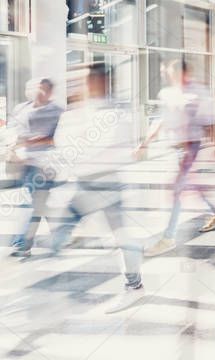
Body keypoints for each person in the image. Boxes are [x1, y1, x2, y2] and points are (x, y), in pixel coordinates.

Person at [49, 63, 144, 314]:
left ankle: (134, 285)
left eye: (91, 80)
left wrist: (76, 149)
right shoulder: (82, 110)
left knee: (117, 237)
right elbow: (62, 140)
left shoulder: (116, 112)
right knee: (68, 223)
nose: (87, 85)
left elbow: (105, 148)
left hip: (105, 181)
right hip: (83, 181)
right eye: (87, 80)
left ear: (104, 81)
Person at [140, 59, 215, 257]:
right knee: (191, 187)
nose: (166, 75)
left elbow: (211, 121)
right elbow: (160, 121)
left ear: (181, 72)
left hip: (191, 147)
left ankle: (168, 238)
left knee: (176, 190)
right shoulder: (167, 94)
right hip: (175, 148)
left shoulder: (198, 92)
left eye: (169, 71)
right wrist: (145, 142)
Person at [7, 78, 64, 257]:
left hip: (45, 164)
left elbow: (59, 137)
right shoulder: (21, 109)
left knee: (29, 203)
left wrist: (32, 141)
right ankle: (60, 236)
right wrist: (12, 147)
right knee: (39, 203)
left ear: (49, 92)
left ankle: (22, 243)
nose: (39, 93)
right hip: (24, 163)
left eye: (43, 89)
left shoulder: (57, 111)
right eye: (36, 89)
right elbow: (13, 132)